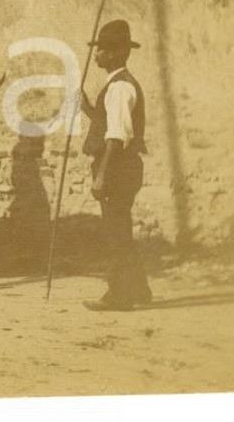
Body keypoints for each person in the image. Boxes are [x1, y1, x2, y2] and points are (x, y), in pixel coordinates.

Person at [79, 19, 152, 311]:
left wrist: (102, 177)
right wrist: (85, 107)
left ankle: (119, 295)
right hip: (122, 167)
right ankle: (139, 290)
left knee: (115, 233)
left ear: (113, 54)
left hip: (117, 168)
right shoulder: (117, 85)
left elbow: (117, 136)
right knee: (120, 229)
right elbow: (108, 122)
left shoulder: (121, 88)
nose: (96, 55)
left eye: (100, 50)